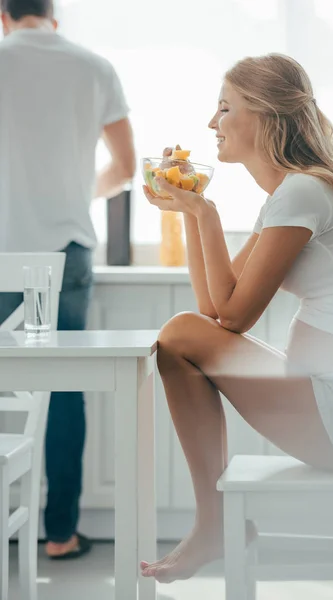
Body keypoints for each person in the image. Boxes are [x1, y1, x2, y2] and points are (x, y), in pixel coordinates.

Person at [140, 53, 333, 583]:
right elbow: (215, 309)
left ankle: (212, 526)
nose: (212, 125)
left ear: (262, 116)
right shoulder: (299, 192)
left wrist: (206, 214)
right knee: (184, 334)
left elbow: (228, 321)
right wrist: (194, 211)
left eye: (224, 108)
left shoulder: (303, 191)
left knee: (179, 334)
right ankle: (213, 525)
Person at [0, 0, 135, 559]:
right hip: (63, 252)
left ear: (4, 16)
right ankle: (59, 535)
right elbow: (126, 167)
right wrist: (80, 193)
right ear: (53, 17)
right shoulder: (93, 65)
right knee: (60, 387)